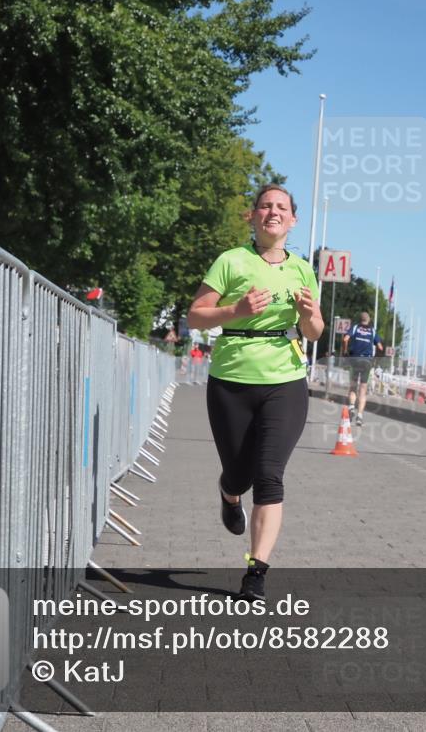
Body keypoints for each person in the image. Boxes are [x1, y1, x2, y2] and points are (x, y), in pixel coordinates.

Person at [187, 184, 323, 601]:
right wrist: (236, 311)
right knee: (240, 474)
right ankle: (229, 494)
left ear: (293, 220)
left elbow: (314, 331)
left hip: (285, 380)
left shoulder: (302, 269)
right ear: (253, 216)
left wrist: (308, 315)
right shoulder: (231, 261)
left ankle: (256, 572)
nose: (273, 212)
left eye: (281, 207)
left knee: (269, 475)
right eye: (265, 206)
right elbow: (195, 317)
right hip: (231, 380)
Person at [342, 311, 383, 426]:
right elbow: (380, 347)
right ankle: (359, 416)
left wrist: (345, 352)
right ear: (368, 320)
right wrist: (376, 360)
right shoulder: (372, 331)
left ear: (360, 320)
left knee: (353, 386)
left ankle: (351, 407)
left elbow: (345, 339)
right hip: (367, 361)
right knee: (363, 389)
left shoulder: (355, 327)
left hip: (355, 360)